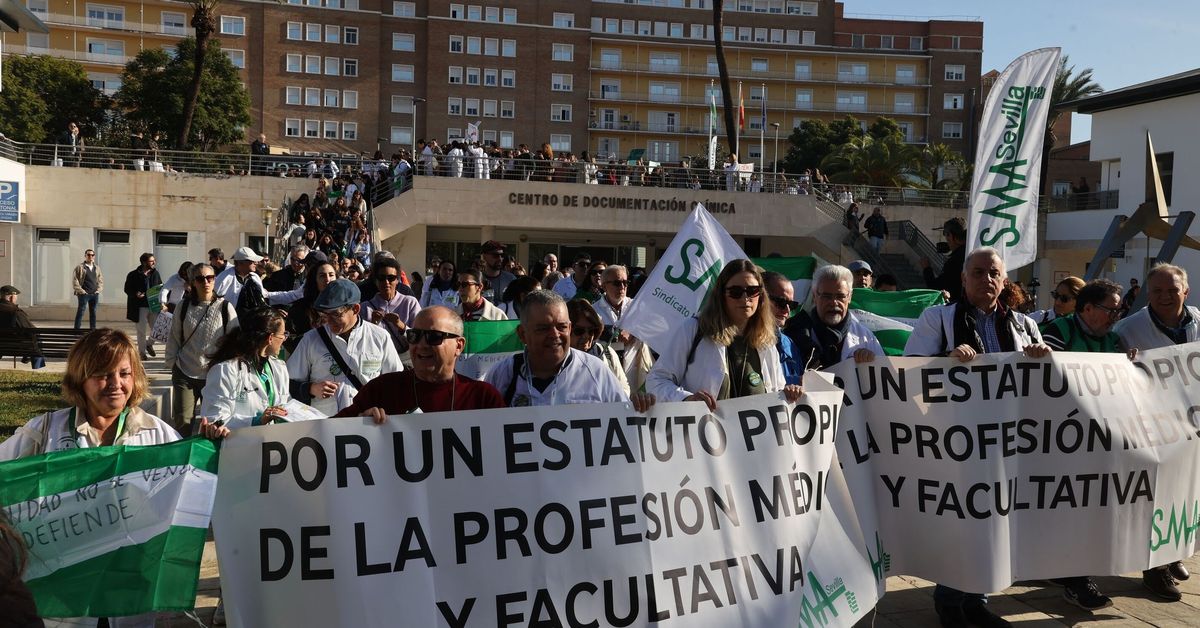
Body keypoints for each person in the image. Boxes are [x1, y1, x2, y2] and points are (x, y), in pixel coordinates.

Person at [904, 247, 1051, 628]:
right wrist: (947, 360)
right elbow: (910, 369)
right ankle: (950, 600)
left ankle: (977, 600)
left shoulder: (1023, 325)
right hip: (956, 439)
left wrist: (1041, 356)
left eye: (994, 273)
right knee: (961, 519)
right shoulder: (936, 318)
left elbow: (1043, 382)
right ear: (964, 278)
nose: (987, 279)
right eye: (979, 272)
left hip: (1009, 440)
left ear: (1004, 281)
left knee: (994, 520)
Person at [0, 328, 178, 628]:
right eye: (102, 374)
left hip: (130, 586)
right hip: (66, 591)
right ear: (80, 379)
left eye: (124, 373)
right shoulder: (44, 432)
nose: (116, 384)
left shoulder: (158, 434)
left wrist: (216, 446)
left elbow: (193, 486)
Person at [1114, 263, 1198, 602]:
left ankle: (1172, 551)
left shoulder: (1197, 321)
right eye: (1158, 291)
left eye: (1172, 290)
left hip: (1191, 427)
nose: (1165, 296)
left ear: (1185, 292)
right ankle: (1155, 570)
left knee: (1185, 492)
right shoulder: (1128, 328)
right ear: (1148, 294)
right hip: (1152, 427)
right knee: (1155, 496)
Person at [646, 260, 803, 411]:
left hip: (755, 436)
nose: (745, 298)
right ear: (721, 295)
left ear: (761, 295)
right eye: (736, 292)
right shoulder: (694, 329)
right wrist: (686, 399)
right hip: (704, 435)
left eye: (752, 291)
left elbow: (777, 390)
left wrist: (789, 392)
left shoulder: (766, 340)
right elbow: (657, 381)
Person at [336, 306, 505, 419]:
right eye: (414, 336)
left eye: (433, 337)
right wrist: (358, 424)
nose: (422, 345)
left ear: (458, 345)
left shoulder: (483, 399)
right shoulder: (381, 390)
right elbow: (326, 435)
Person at [484, 290, 629, 406]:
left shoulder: (596, 371)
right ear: (522, 334)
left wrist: (641, 409)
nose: (554, 335)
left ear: (570, 328)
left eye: (562, 327)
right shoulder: (502, 374)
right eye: (543, 328)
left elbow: (624, 421)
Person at [288, 279, 402, 416]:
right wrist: (311, 389)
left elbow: (396, 384)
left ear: (355, 309)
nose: (329, 321)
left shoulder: (380, 337)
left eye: (336, 314)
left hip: (367, 424)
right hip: (325, 424)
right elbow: (288, 384)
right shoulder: (311, 340)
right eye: (325, 315)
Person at [165, 263, 238, 430]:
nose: (205, 282)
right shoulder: (182, 307)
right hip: (184, 372)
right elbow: (174, 337)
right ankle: (182, 456)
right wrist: (172, 364)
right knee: (182, 423)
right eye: (200, 278)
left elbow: (235, 342)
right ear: (193, 282)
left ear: (214, 280)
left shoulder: (225, 308)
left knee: (211, 425)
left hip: (214, 377)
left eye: (210, 278)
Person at [199, 308, 291, 434]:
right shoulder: (225, 370)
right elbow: (214, 420)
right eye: (283, 335)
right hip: (239, 448)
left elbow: (285, 404)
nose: (285, 339)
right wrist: (257, 420)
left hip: (273, 446)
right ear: (270, 338)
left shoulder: (279, 367)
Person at [783, 265, 883, 370]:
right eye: (827, 296)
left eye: (840, 296)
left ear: (849, 297)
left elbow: (882, 380)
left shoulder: (866, 339)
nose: (834, 303)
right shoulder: (792, 334)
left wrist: (872, 362)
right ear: (814, 296)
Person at [566, 299, 630, 396]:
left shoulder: (606, 352)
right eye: (579, 331)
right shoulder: (556, 360)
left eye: (591, 331)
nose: (586, 336)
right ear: (565, 330)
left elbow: (624, 390)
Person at [361, 258, 422, 354]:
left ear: (398, 280)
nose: (386, 282)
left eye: (391, 278)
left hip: (405, 362)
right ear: (376, 280)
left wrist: (400, 325)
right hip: (378, 362)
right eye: (381, 278)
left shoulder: (410, 303)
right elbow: (361, 342)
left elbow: (420, 337)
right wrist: (373, 324)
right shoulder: (365, 307)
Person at [762, 271, 804, 385]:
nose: (787, 310)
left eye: (791, 305)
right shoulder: (744, 340)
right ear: (761, 298)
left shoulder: (789, 344)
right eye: (781, 302)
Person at [124, 252, 163, 360]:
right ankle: (142, 353)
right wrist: (136, 293)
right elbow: (127, 289)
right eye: (151, 261)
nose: (154, 262)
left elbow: (160, 287)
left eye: (154, 260)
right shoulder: (133, 274)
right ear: (144, 262)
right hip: (139, 306)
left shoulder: (156, 273)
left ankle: (149, 344)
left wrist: (162, 302)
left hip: (153, 305)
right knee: (141, 331)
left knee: (157, 329)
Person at [922, 216, 967, 303]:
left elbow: (935, 288)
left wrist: (926, 268)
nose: (946, 238)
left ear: (950, 236)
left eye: (945, 234)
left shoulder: (954, 261)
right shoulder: (971, 254)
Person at [0, 285, 45, 370]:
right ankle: (37, 367)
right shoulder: (15, 312)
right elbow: (31, 329)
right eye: (16, 297)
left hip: (2, 344)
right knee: (36, 337)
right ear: (11, 297)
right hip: (17, 346)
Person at [72, 248, 103, 330]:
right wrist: (82, 291)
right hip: (84, 294)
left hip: (94, 294)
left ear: (94, 256)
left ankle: (93, 330)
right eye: (88, 255)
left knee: (93, 313)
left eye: (92, 255)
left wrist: (98, 290)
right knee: (81, 312)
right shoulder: (80, 267)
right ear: (85, 256)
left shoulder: (97, 268)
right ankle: (76, 330)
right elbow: (75, 281)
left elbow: (100, 280)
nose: (90, 256)